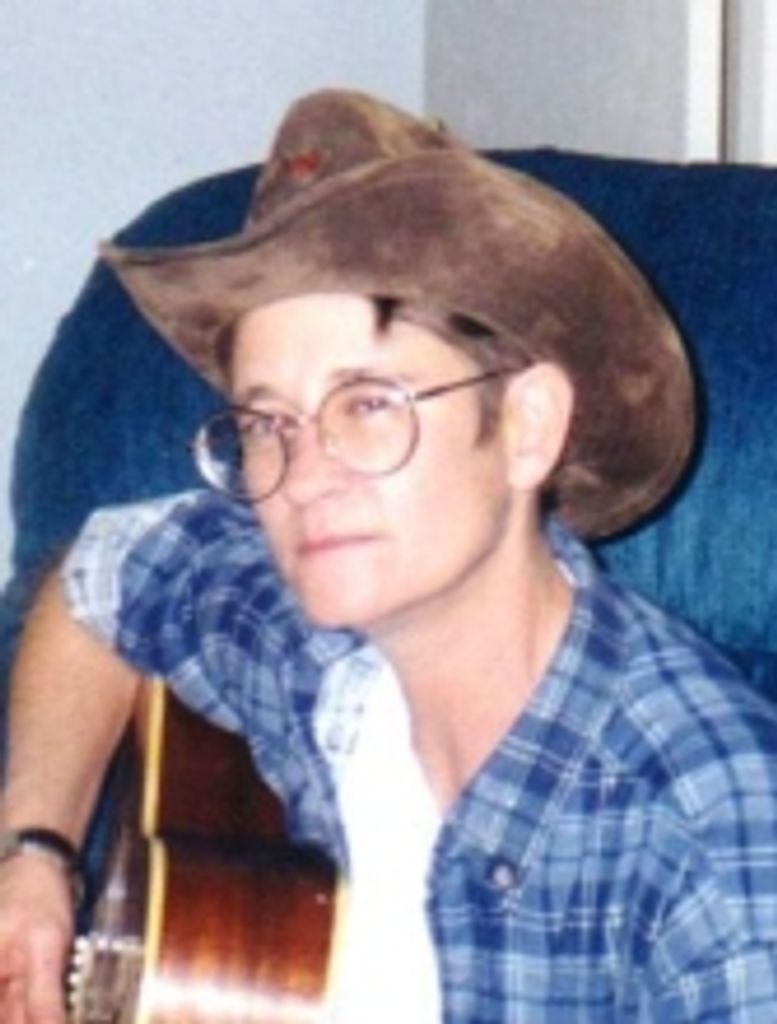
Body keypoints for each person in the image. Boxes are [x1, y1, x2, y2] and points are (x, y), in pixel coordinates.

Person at [2, 88, 777, 1022]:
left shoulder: (712, 846)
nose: (303, 477)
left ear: (527, 427)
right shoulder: (312, 648)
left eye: (369, 405)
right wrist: (34, 856)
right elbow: (97, 576)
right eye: (266, 423)